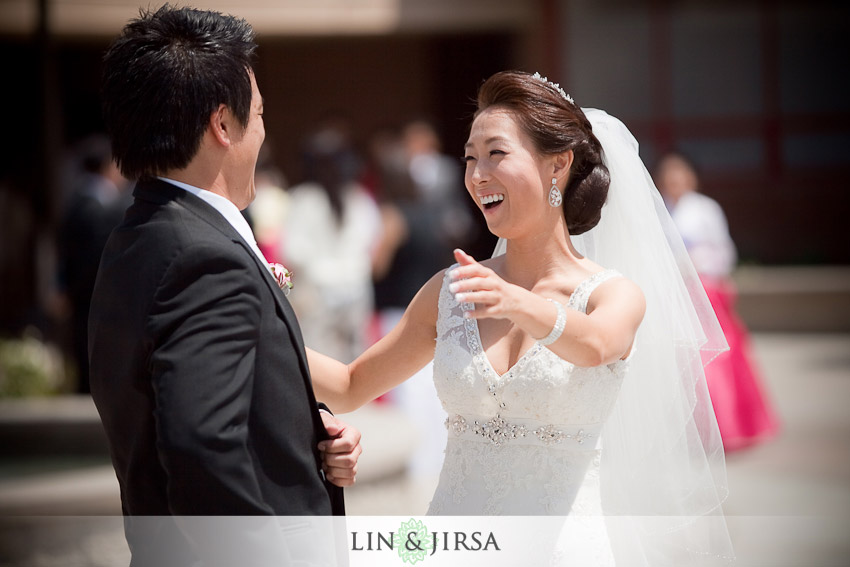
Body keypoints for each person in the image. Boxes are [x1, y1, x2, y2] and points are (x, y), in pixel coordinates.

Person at [307, 71, 734, 564]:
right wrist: (263, 316)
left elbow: (595, 345)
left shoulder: (613, 294)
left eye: (496, 153)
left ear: (559, 165)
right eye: (469, 157)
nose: (476, 174)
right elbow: (350, 383)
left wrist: (517, 302)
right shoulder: (453, 290)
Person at [88, 6, 360, 565]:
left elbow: (175, 406)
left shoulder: (135, 238)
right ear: (223, 124)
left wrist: (303, 429)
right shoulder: (206, 258)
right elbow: (200, 446)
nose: (262, 130)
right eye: (258, 114)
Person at [656, 151, 779, 450]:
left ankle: (728, 428)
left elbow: (724, 251)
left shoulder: (705, 209)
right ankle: (694, 433)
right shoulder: (660, 211)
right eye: (668, 174)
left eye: (679, 173)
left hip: (706, 291)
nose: (673, 180)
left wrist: (701, 268)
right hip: (677, 294)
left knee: (717, 357)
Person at [282, 123, 381, 363]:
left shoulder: (303, 200)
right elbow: (372, 243)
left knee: (323, 361)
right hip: (350, 287)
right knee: (353, 362)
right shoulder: (355, 198)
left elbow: (293, 251)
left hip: (322, 290)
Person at [56, 134, 128, 393]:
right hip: (95, 292)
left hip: (79, 293)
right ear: (109, 165)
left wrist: (64, 285)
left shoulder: (75, 202)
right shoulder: (101, 207)